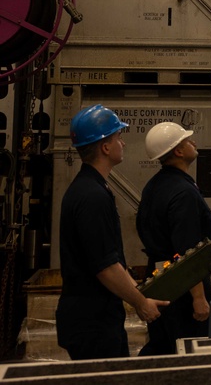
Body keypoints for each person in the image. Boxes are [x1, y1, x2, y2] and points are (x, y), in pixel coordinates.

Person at [56, 105, 168, 360]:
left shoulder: (89, 188)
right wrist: (141, 303)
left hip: (94, 319)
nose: (123, 143)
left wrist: (139, 290)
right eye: (118, 137)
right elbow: (105, 266)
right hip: (92, 323)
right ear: (105, 147)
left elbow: (111, 260)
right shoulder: (92, 196)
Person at [136, 122, 211, 355]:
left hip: (160, 280)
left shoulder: (156, 185)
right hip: (181, 289)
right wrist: (198, 298)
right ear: (178, 152)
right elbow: (187, 252)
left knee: (162, 347)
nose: (194, 143)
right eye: (188, 141)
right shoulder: (183, 193)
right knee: (185, 352)